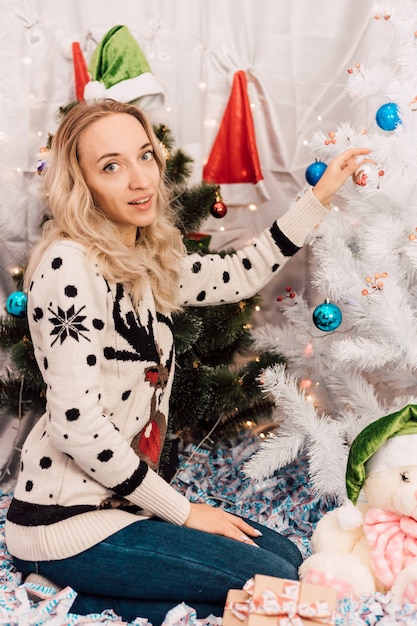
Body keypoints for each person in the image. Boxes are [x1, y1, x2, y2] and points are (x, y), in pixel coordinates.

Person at [5, 98, 370, 624]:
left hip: (125, 509)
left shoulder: (137, 258)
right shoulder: (69, 266)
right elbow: (76, 427)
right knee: (276, 582)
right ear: (81, 184)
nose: (139, 180)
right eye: (111, 165)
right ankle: (66, 594)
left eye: (145, 156)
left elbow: (241, 272)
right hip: (64, 523)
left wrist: (319, 195)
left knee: (286, 559)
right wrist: (184, 511)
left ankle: (76, 590)